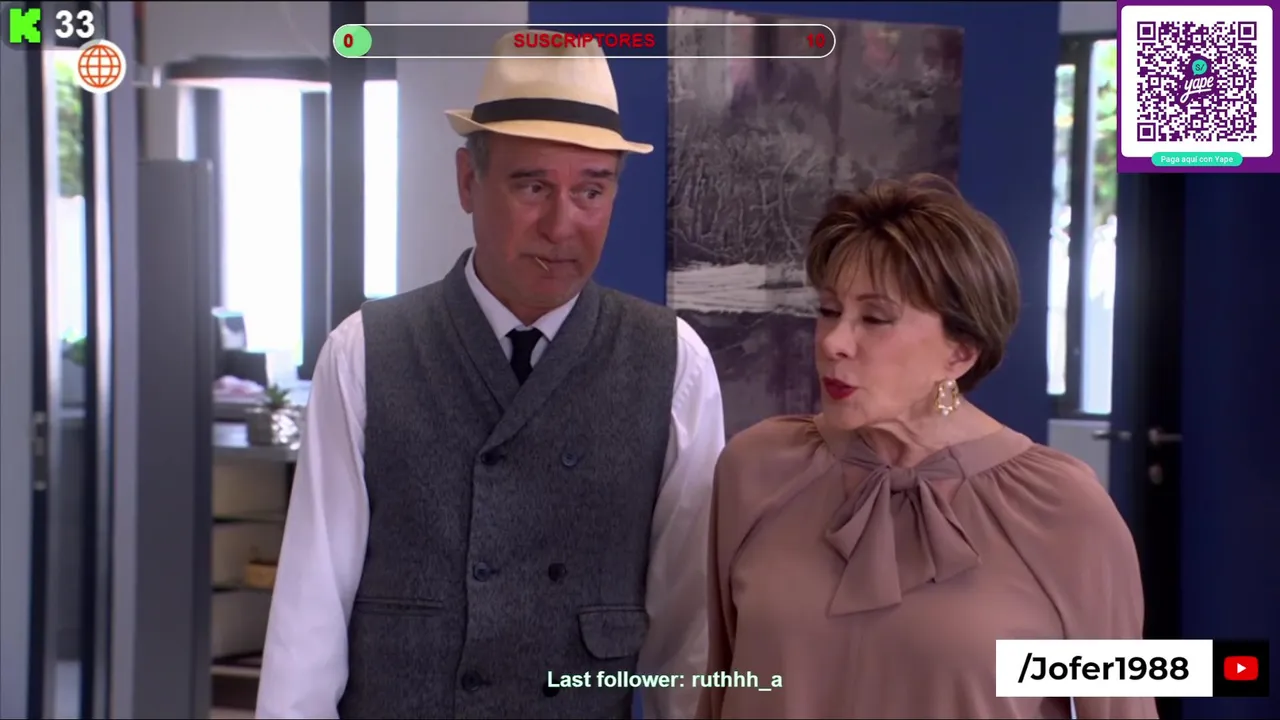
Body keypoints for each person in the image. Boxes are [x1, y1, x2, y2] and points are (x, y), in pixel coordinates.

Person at [256, 30, 725, 720]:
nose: (562, 225)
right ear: (468, 182)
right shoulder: (364, 353)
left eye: (591, 190)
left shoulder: (675, 363)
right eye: (532, 186)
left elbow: (691, 633)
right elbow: (309, 614)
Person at [697, 175, 1156, 719]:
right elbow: (719, 684)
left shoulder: (1062, 508)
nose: (833, 342)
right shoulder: (758, 468)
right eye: (829, 310)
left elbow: (1123, 707)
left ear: (960, 352)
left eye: (875, 318)